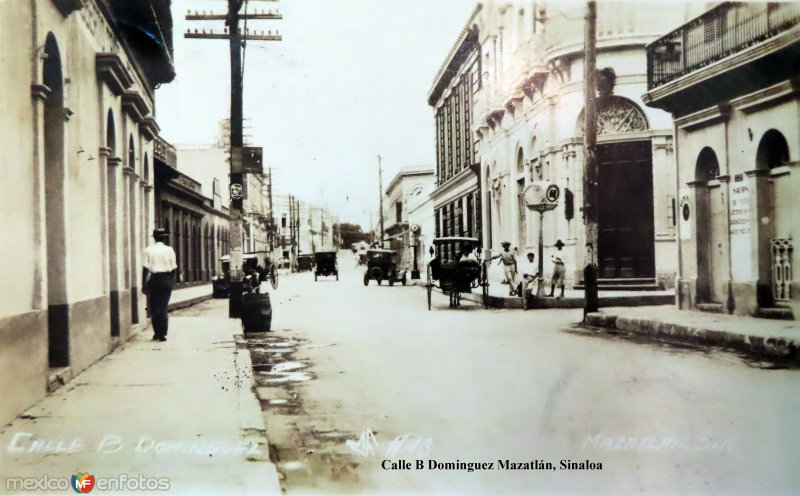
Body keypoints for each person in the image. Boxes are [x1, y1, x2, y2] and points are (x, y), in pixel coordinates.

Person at [142, 228, 177, 342]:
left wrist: (144, 284)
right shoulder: (169, 250)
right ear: (164, 237)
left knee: (153, 307)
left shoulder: (148, 250)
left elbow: (145, 268)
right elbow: (173, 268)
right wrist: (169, 281)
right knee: (163, 307)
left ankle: (156, 333)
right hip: (166, 279)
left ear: (154, 237)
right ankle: (163, 334)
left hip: (154, 280)